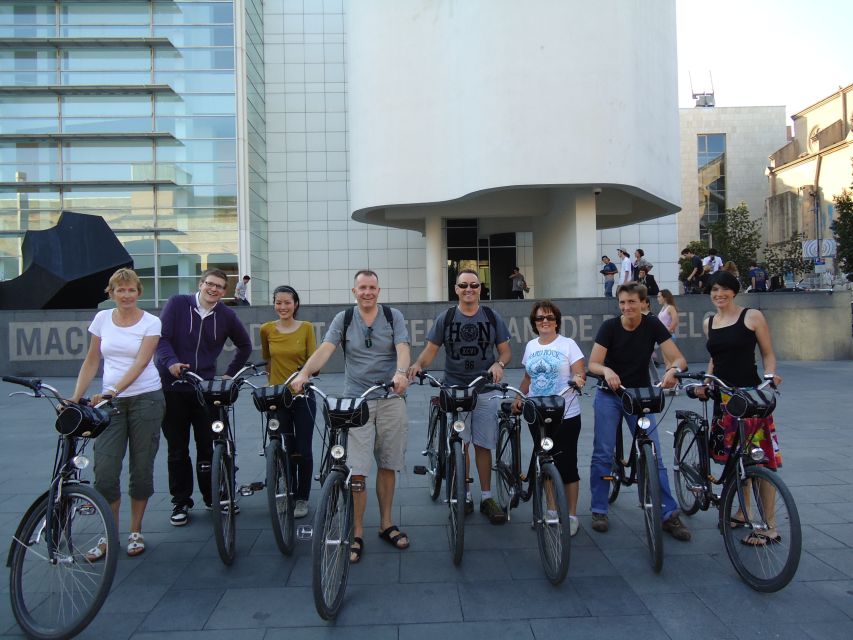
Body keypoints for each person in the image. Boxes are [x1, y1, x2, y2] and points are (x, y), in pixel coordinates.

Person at [291, 270, 411, 563]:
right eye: (362, 288)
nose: (367, 292)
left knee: (388, 463)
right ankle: (356, 531)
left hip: (390, 397)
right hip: (357, 401)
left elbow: (403, 348)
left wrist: (401, 371)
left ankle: (385, 523)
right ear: (354, 291)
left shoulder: (393, 316)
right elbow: (326, 349)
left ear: (378, 291)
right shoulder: (343, 319)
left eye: (372, 287)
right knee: (357, 470)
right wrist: (305, 373)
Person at [72, 268, 165, 559]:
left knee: (141, 469)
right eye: (120, 290)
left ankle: (135, 530)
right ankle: (109, 534)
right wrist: (75, 397)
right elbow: (92, 360)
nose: (126, 295)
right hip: (110, 404)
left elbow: (141, 363)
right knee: (106, 472)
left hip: (146, 399)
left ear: (139, 292)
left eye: (131, 290)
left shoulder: (151, 322)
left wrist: (114, 390)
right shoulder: (102, 319)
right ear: (111, 293)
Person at [588, 282, 692, 541]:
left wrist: (672, 371)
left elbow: (679, 359)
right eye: (622, 303)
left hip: (640, 394)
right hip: (610, 393)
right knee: (603, 450)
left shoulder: (653, 325)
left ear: (644, 303)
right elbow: (593, 363)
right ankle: (599, 508)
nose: (627, 307)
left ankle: (668, 514)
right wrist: (607, 371)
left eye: (632, 302)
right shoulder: (609, 327)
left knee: (653, 453)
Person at [408, 268, 512, 524]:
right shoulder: (447, 317)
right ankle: (464, 495)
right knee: (461, 444)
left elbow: (505, 352)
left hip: (485, 390)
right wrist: (417, 365)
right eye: (463, 285)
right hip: (455, 389)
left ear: (480, 289)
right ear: (456, 289)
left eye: (474, 285)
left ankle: (486, 496)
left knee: (484, 445)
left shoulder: (491, 316)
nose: (469, 290)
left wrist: (499, 364)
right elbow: (431, 350)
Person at [156, 269, 253, 526]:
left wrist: (229, 374)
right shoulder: (178, 304)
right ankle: (181, 502)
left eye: (220, 287)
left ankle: (214, 497)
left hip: (206, 390)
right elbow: (161, 339)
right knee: (177, 450)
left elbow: (245, 346)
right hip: (173, 388)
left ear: (224, 291)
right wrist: (171, 363)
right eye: (210, 284)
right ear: (200, 284)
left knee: (207, 447)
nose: (214, 289)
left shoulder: (226, 315)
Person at [701, 271, 783, 544]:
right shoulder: (709, 322)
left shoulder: (752, 316)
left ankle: (769, 525)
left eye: (723, 289)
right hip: (723, 400)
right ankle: (742, 510)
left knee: (759, 461)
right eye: (714, 290)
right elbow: (714, 359)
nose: (718, 294)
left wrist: (770, 379)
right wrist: (707, 380)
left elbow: (768, 354)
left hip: (750, 399)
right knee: (737, 460)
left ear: (734, 291)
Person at [512, 300, 586, 536]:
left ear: (557, 321)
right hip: (537, 412)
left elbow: (579, 371)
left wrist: (579, 379)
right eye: (540, 318)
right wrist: (520, 396)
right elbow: (527, 378)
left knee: (568, 465)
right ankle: (552, 510)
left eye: (550, 317)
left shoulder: (568, 344)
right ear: (535, 323)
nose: (545, 321)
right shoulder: (531, 346)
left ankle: (572, 515)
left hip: (565, 413)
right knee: (545, 461)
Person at [260, 285, 316, 519]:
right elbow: (268, 360)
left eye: (287, 302)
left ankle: (302, 497)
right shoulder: (266, 329)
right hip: (277, 398)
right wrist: (271, 384)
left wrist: (303, 379)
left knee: (303, 450)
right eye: (278, 302)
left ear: (296, 304)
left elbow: (313, 361)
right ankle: (286, 493)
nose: (282, 307)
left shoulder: (306, 328)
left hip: (302, 396)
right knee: (284, 449)